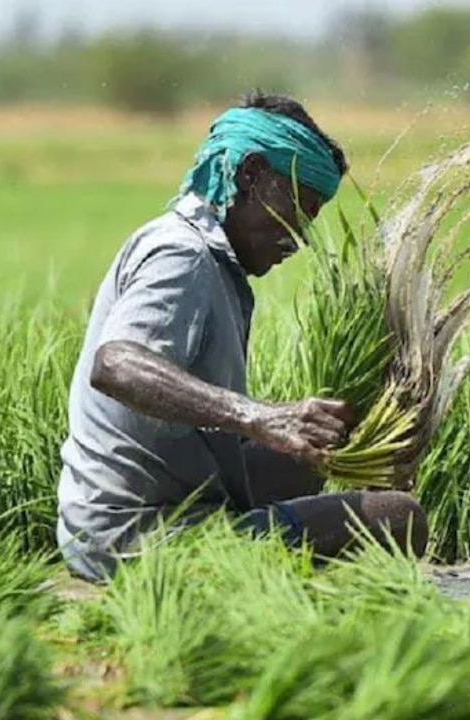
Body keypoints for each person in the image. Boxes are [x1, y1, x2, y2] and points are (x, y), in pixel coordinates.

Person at [56, 92, 429, 582]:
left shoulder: (212, 262)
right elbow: (116, 365)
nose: (299, 238)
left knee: (312, 459)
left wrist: (353, 441)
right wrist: (257, 416)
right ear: (250, 175)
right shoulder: (182, 255)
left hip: (139, 515)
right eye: (300, 207)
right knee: (400, 517)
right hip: (138, 539)